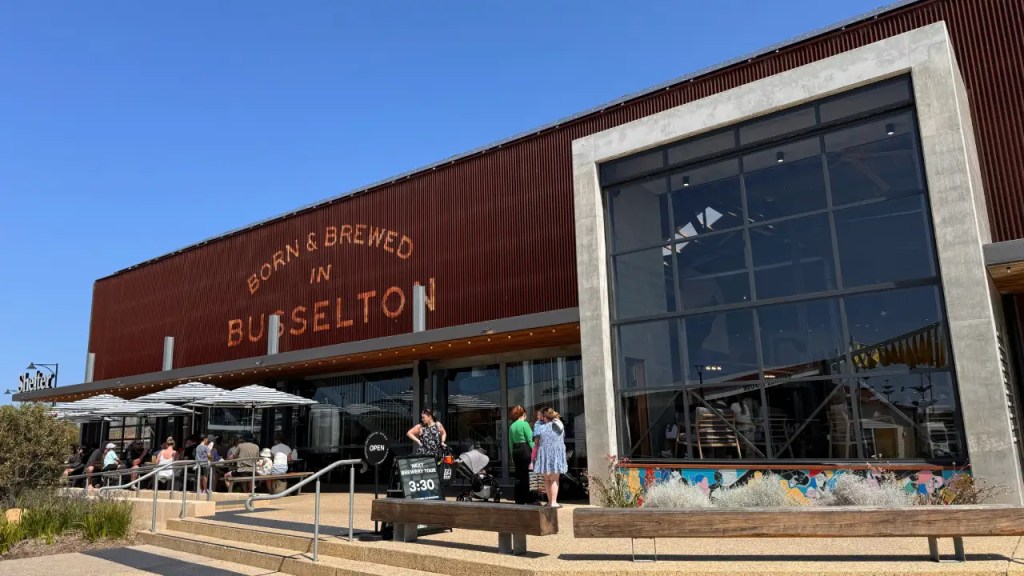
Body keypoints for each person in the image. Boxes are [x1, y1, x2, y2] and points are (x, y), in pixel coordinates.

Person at [531, 407, 568, 508]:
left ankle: (549, 501)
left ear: (544, 417)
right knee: (554, 479)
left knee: (547, 479)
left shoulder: (541, 427)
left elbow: (536, 442)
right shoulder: (559, 425)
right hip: (556, 454)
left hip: (544, 454)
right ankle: (554, 502)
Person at [508, 405, 535, 505]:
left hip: (516, 451)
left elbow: (510, 443)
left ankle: (519, 499)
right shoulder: (525, 424)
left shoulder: (512, 426)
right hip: (525, 449)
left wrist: (512, 456)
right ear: (523, 414)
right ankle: (530, 498)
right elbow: (530, 440)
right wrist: (536, 452)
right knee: (529, 474)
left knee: (518, 475)